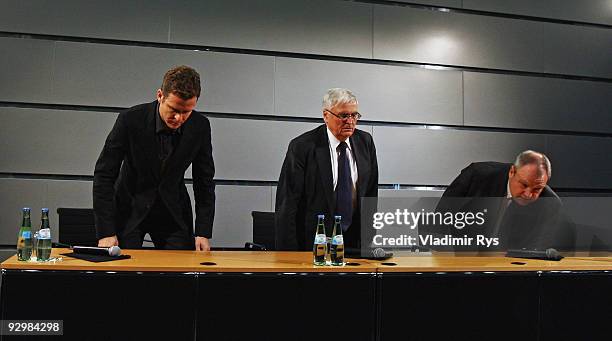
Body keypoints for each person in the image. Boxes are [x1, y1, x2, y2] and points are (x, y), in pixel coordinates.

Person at [93, 65, 215, 251]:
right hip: (129, 209)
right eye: (173, 109)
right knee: (125, 273)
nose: (179, 117)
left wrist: (203, 232)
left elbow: (204, 182)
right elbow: (104, 175)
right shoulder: (130, 120)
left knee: (179, 275)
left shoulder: (200, 127)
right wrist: (106, 232)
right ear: (160, 96)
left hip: (173, 212)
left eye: (186, 112)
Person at [275, 88, 379, 252]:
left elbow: (371, 197)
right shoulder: (302, 146)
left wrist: (370, 243)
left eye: (355, 115)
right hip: (314, 243)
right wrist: (288, 256)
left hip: (355, 243)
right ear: (326, 115)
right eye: (344, 115)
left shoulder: (365, 142)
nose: (350, 121)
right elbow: (287, 204)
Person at [434, 150, 574, 251]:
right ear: (512, 172)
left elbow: (538, 250)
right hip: (459, 259)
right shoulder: (477, 175)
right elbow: (440, 219)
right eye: (524, 185)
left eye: (537, 189)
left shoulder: (550, 203)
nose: (528, 194)